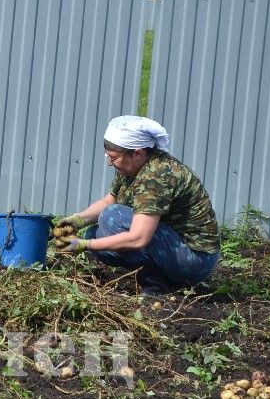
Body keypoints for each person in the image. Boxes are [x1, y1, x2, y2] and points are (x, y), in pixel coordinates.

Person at [55, 115, 221, 295]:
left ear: (138, 153)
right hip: (172, 246)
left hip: (195, 259)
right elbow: (109, 200)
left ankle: (156, 285)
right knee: (95, 233)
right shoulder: (131, 166)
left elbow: (139, 238)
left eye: (113, 158)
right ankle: (163, 280)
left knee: (113, 218)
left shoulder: (155, 177)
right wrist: (77, 220)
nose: (109, 163)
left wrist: (85, 245)